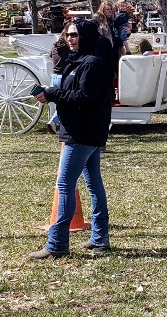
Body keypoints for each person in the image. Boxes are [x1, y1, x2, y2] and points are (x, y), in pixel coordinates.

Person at [29, 18, 113, 258]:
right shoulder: (78, 61)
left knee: (65, 185)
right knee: (93, 184)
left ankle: (57, 245)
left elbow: (84, 97)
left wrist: (53, 93)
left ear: (86, 36)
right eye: (67, 35)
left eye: (75, 35)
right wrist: (50, 92)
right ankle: (99, 238)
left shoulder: (92, 63)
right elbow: (74, 91)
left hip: (82, 133)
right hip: (84, 131)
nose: (70, 39)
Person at [47, 23, 72, 133]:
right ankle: (54, 120)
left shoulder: (55, 46)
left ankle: (59, 123)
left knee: (59, 102)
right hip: (64, 76)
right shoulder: (68, 48)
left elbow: (50, 56)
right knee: (66, 102)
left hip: (55, 76)